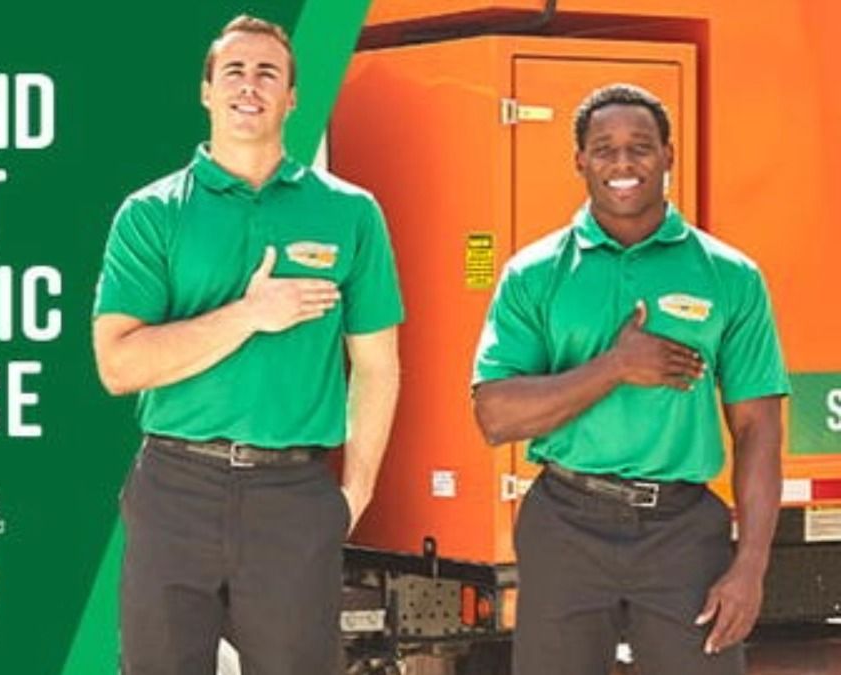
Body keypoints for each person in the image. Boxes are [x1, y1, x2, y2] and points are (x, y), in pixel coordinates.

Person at [92, 15, 403, 675]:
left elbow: (378, 365)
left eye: (268, 73)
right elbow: (118, 365)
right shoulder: (152, 214)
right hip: (175, 486)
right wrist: (249, 315)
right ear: (206, 91)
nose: (249, 85)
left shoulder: (350, 213)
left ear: (292, 97)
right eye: (233, 71)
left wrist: (355, 493)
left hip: (293, 491)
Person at [472, 83, 789, 675]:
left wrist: (751, 566)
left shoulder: (731, 276)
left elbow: (758, 428)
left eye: (640, 147)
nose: (623, 163)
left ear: (669, 155)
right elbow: (496, 416)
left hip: (684, 533)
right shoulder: (533, 274)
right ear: (580, 161)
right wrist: (615, 366)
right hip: (564, 522)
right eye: (604, 149)